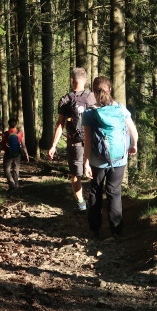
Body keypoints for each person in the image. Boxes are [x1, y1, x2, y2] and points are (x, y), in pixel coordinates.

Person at [83, 76, 138, 238]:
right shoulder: (121, 109)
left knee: (96, 191)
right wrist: (133, 145)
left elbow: (87, 141)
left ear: (93, 91)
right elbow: (133, 132)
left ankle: (94, 229)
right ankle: (116, 231)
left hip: (97, 160)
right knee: (114, 192)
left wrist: (86, 163)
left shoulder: (89, 113)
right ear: (111, 90)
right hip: (119, 159)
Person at [48, 67, 97, 211]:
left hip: (74, 142)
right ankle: (95, 202)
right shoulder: (93, 97)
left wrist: (53, 145)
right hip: (93, 142)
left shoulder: (65, 99)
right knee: (95, 171)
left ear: (72, 80)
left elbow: (60, 124)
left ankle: (81, 204)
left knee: (76, 174)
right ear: (86, 80)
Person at [0, 117, 30, 190]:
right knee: (16, 170)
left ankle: (11, 184)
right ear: (16, 124)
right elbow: (23, 145)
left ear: (8, 124)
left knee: (6, 169)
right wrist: (26, 154)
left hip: (8, 153)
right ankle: (16, 186)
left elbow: (2, 143)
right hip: (17, 154)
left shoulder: (6, 133)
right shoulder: (20, 133)